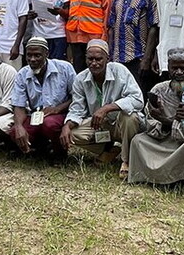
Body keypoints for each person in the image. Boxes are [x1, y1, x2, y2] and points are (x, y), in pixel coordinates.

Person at [127, 47, 184, 186]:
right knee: (138, 141)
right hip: (164, 140)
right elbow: (150, 125)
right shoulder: (158, 90)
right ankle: (151, 177)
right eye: (174, 68)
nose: (179, 72)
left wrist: (169, 121)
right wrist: (164, 123)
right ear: (168, 68)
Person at [60, 39, 143, 168]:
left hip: (121, 125)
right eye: (90, 59)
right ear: (85, 59)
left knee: (129, 117)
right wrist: (67, 125)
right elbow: (77, 109)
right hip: (101, 125)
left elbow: (137, 100)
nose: (94, 63)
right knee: (74, 134)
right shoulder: (81, 79)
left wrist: (107, 108)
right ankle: (109, 150)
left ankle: (127, 161)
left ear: (107, 59)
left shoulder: (120, 71)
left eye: (98, 59)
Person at [9, 36, 75, 155]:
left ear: (47, 54)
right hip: (36, 115)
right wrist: (18, 126)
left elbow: (76, 97)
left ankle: (59, 153)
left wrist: (57, 109)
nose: (32, 59)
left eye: (37, 55)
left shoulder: (64, 68)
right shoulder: (22, 74)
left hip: (60, 114)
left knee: (49, 124)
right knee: (15, 131)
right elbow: (19, 105)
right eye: (29, 55)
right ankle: (40, 149)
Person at [108, 0, 159, 88]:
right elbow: (111, 27)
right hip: (118, 58)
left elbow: (154, 27)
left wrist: (147, 59)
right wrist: (110, 55)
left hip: (137, 58)